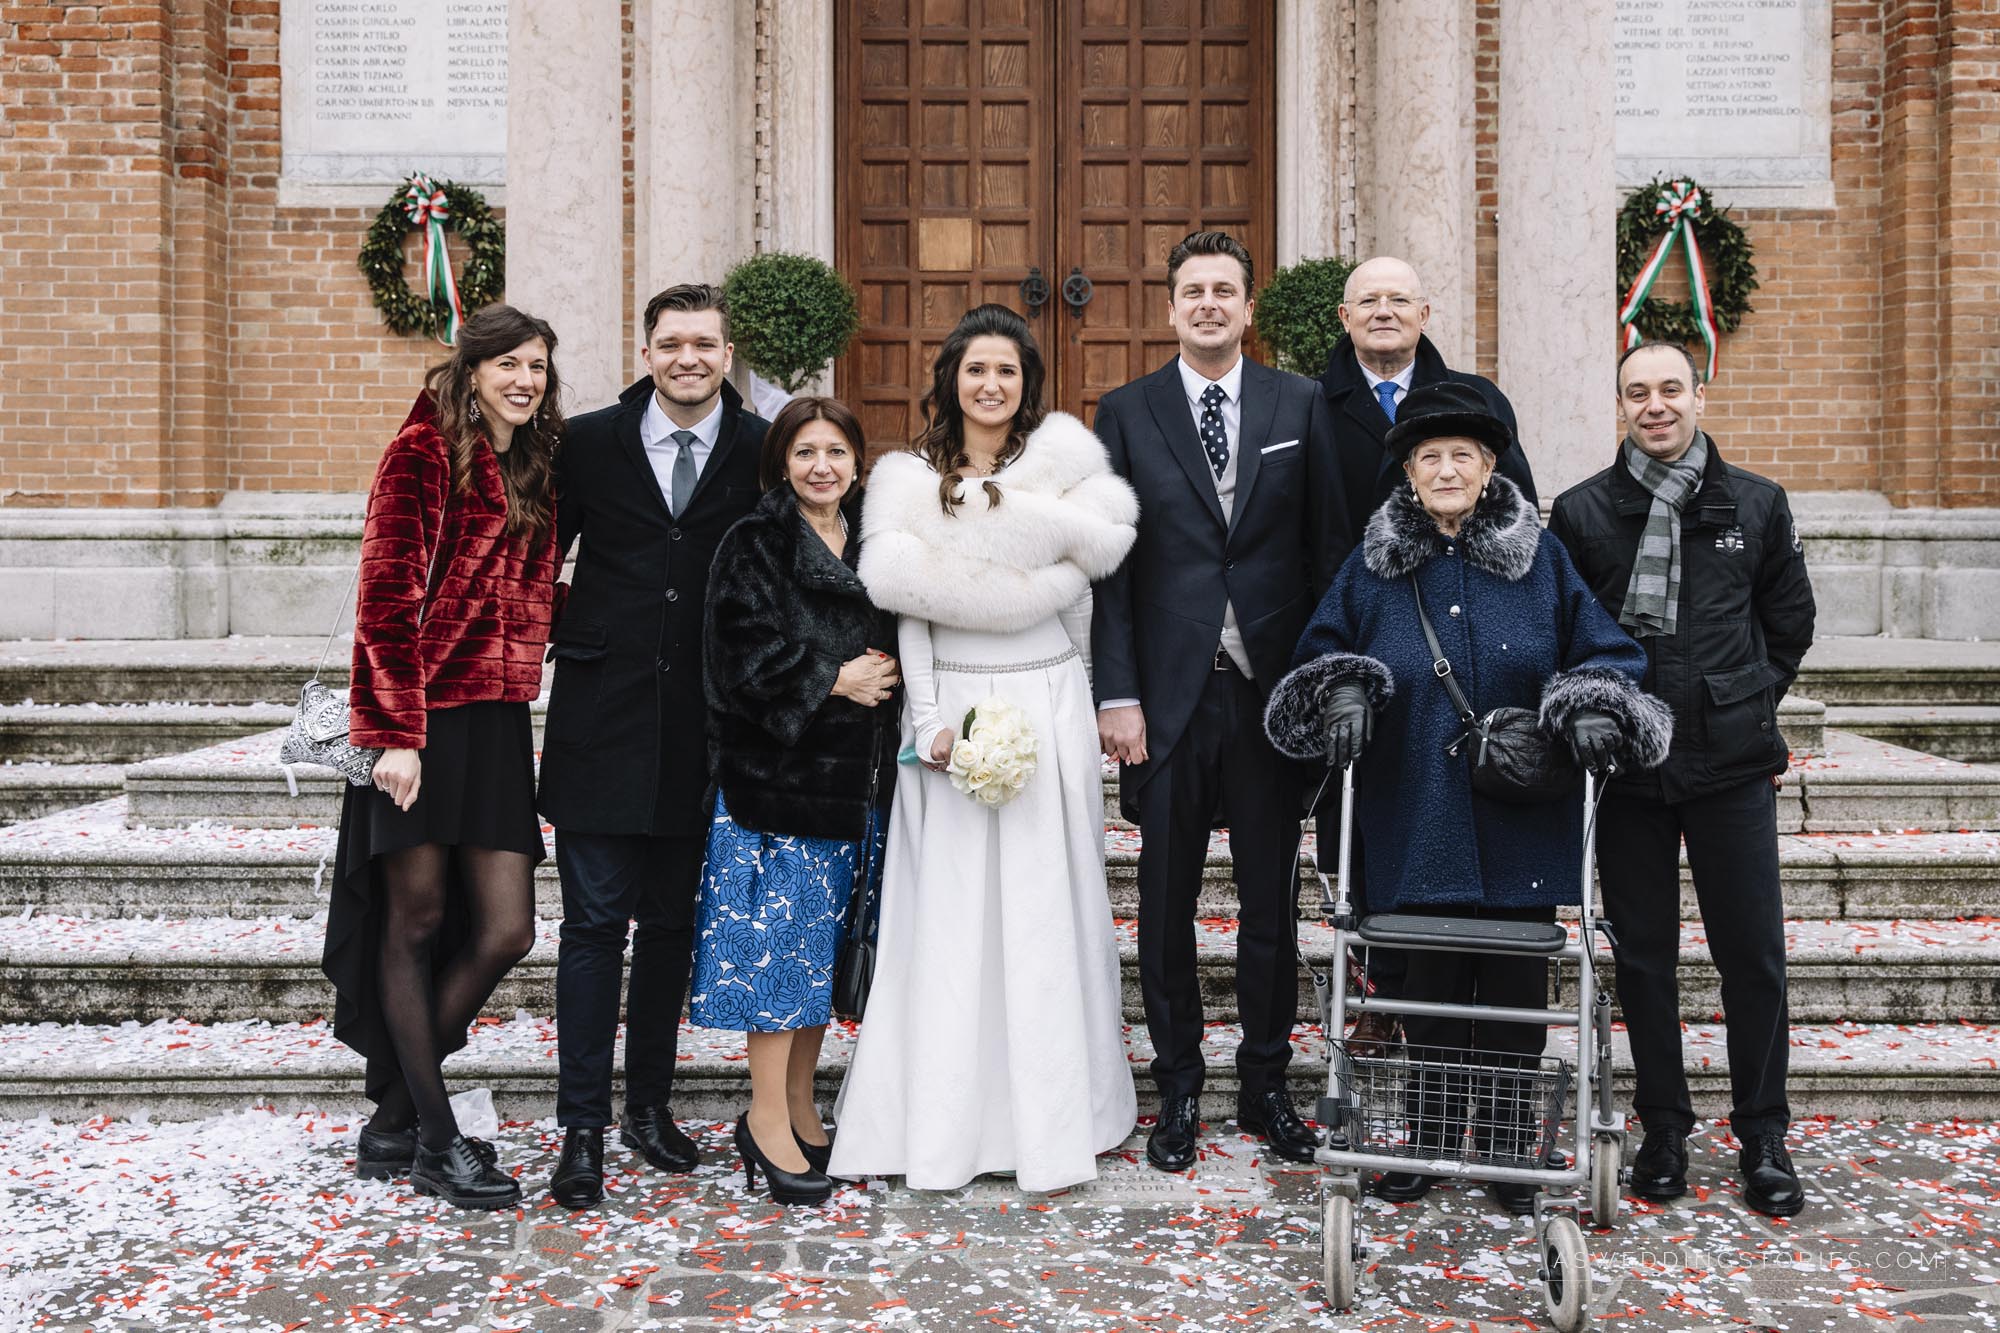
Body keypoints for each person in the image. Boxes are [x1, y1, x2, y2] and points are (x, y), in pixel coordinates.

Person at [1265, 380, 1671, 1215]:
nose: (1446, 470)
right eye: (1429, 457)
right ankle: (1430, 1137)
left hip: (1522, 818)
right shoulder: (1373, 566)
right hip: (1416, 813)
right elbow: (1322, 651)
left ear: (1489, 469)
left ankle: (1511, 1143)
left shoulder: (1541, 560)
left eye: (1462, 456)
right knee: (1430, 991)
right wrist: (1346, 689)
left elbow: (1605, 650)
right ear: (1409, 474)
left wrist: (1588, 704)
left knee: (1517, 996)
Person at [829, 304, 1140, 1192]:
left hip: (1048, 698)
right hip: (955, 708)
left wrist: (1084, 706)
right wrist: (927, 720)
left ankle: (1057, 1121)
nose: (991, 384)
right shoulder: (908, 483)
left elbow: (1083, 607)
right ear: (952, 380)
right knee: (952, 911)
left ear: (1026, 381)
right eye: (976, 369)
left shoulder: (1066, 475)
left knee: (1048, 908)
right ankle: (942, 1125)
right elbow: (912, 612)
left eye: (1007, 369)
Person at [1090, 230, 1352, 1172]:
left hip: (1271, 697)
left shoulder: (1301, 403)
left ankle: (1265, 1083)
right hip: (1166, 698)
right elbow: (1112, 568)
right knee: (1164, 908)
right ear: (1170, 308)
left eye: (1224, 290)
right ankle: (1178, 1087)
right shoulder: (1126, 412)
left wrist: (1321, 683)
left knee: (1270, 905)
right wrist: (1116, 693)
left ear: (1248, 308)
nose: (1208, 303)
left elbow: (1329, 551)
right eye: (1193, 290)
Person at [1548, 341, 1816, 1218]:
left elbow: (1789, 623)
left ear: (1700, 395)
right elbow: (1564, 633)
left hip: (1732, 765)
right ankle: (1663, 1126)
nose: (1655, 405)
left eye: (1671, 388)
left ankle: (1764, 1133)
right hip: (1631, 770)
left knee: (1753, 956)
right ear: (1621, 405)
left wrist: (1744, 699)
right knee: (1646, 958)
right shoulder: (1583, 511)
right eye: (1638, 392)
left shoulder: (1757, 503)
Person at [326, 304, 565, 1210]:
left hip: (496, 720)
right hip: (421, 721)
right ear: (471, 372)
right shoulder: (422, 453)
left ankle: (397, 1115)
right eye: (508, 364)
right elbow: (385, 597)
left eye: (536, 366)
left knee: (508, 928)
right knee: (415, 920)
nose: (524, 379)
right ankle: (435, 1137)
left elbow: (519, 592)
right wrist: (393, 731)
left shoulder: (531, 461)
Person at [539, 284, 770, 1209]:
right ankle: (581, 1129)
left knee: (671, 927)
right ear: (647, 353)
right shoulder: (588, 442)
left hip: (705, 731)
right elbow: (533, 558)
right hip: (600, 720)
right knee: (593, 929)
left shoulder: (762, 449)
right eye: (672, 343)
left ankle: (648, 1107)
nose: (688, 359)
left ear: (726, 354)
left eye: (704, 344)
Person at [1317, 256, 1538, 1049]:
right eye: (1368, 299)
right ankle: (1384, 997)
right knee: (1378, 848)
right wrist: (1337, 675)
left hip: (1473, 658)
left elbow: (1519, 519)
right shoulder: (1313, 404)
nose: (1384, 311)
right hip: (1371, 645)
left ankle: (1490, 1089)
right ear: (1344, 316)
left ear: (1425, 312)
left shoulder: (1476, 401)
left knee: (1470, 870)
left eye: (1399, 299)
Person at [689, 396, 900, 1207]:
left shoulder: (875, 540)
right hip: (776, 787)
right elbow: (737, 655)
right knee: (777, 962)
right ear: (782, 460)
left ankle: (804, 1106)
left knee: (819, 961)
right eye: (806, 451)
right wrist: (833, 679)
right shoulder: (756, 540)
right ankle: (765, 1117)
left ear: (856, 462)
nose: (822, 466)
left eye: (836, 452)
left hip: (853, 786)